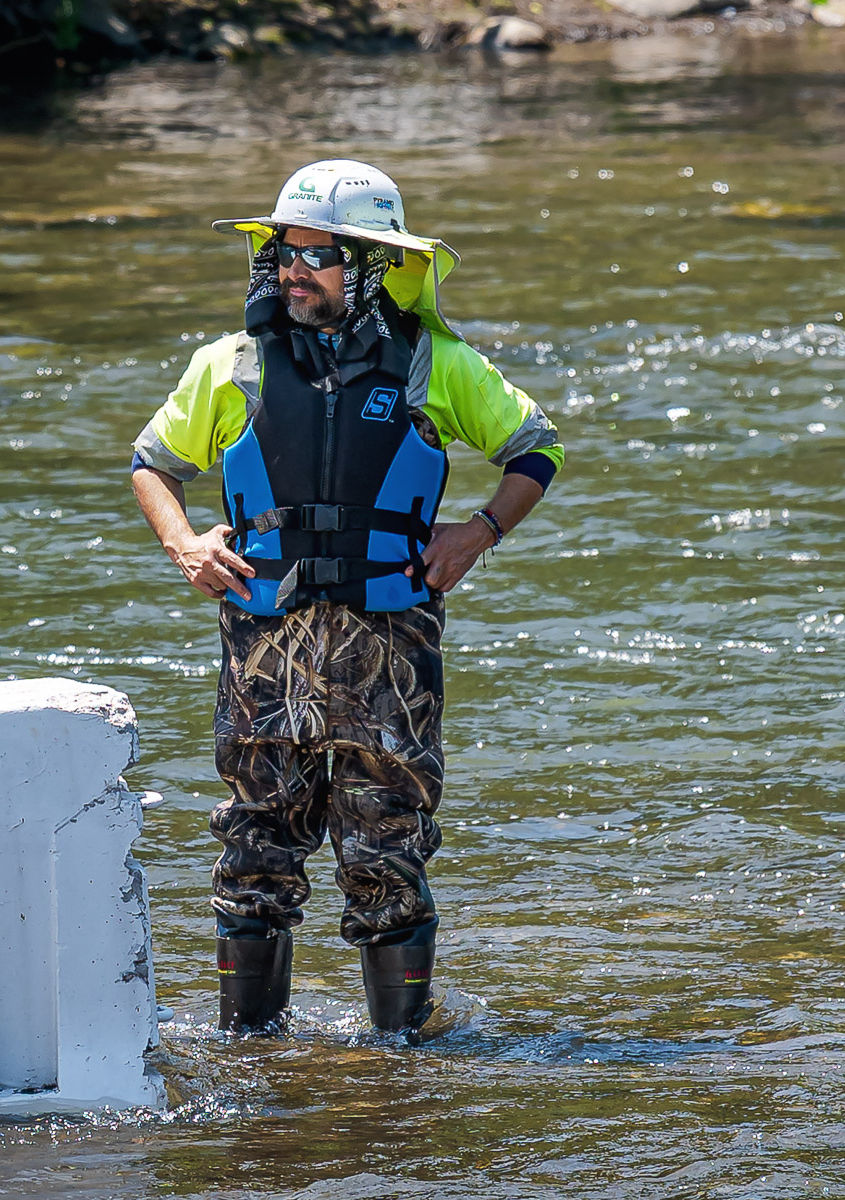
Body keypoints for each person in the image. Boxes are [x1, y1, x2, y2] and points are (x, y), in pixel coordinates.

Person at [129, 160, 564, 1040]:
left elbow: (535, 447)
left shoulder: (436, 365)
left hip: (390, 649)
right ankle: (251, 1053)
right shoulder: (231, 365)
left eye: (317, 256)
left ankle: (400, 1062)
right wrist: (184, 542)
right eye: (284, 253)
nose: (294, 271)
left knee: (387, 847)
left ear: (370, 265)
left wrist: (478, 532)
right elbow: (152, 464)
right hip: (265, 649)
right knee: (255, 846)